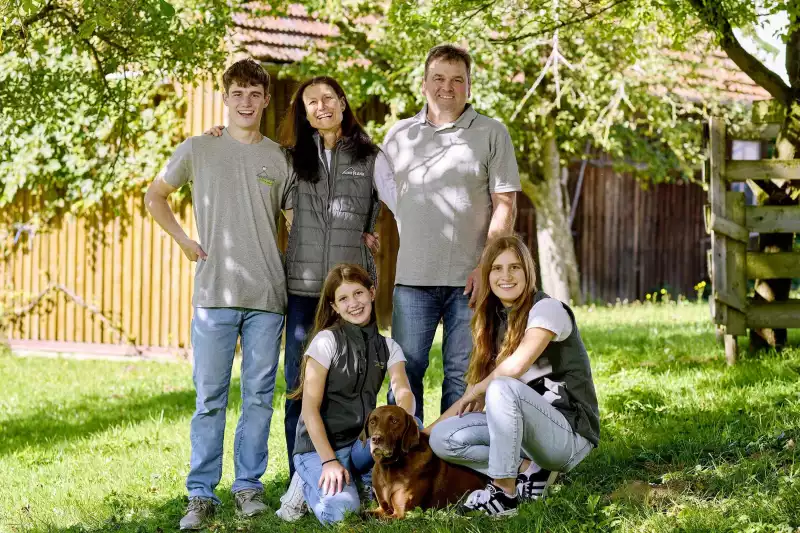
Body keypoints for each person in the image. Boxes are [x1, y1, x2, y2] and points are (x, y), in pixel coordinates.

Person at [205, 76, 395, 480]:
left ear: (343, 104)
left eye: (329, 98)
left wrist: (376, 239)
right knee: (299, 386)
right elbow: (249, 161)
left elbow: (402, 202)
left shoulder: (372, 157)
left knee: (360, 384)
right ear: (303, 113)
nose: (321, 106)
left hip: (353, 295)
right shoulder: (290, 159)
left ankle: (367, 469)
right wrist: (220, 136)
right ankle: (301, 476)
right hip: (304, 292)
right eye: (312, 102)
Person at [144, 58, 293, 530]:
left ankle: (248, 487)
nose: (246, 102)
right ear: (225, 98)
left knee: (257, 398)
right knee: (209, 399)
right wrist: (185, 241)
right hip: (213, 296)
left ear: (266, 100)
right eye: (237, 93)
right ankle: (200, 494)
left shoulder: (281, 158)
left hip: (268, 295)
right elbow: (155, 196)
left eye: (255, 94)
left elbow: (297, 222)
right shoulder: (198, 149)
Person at [381, 44, 521, 422]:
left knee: (463, 378)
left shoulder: (492, 133)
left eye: (458, 79)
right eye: (439, 78)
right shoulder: (398, 137)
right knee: (404, 376)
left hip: (470, 281)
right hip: (412, 280)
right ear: (424, 84)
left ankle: (454, 465)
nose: (448, 87)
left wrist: (485, 268)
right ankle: (404, 465)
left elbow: (505, 204)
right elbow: (379, 191)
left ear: (469, 86)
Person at [426, 236, 600, 518]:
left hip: (568, 435)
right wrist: (426, 433)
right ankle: (530, 472)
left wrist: (479, 390)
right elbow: (472, 398)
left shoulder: (547, 309)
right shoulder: (493, 320)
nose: (505, 276)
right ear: (487, 275)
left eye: (514, 267)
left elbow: (515, 367)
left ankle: (503, 494)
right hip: (524, 433)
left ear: (528, 271)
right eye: (497, 268)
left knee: (501, 387)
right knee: (444, 438)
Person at [277, 264, 417, 524]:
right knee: (343, 512)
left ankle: (361, 477)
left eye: (359, 293)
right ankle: (303, 486)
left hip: (360, 444)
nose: (353, 303)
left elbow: (402, 389)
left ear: (372, 293)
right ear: (334, 307)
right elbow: (309, 410)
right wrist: (329, 461)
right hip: (318, 448)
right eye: (343, 298)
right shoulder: (326, 342)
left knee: (413, 425)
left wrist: (406, 416)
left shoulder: (388, 347)